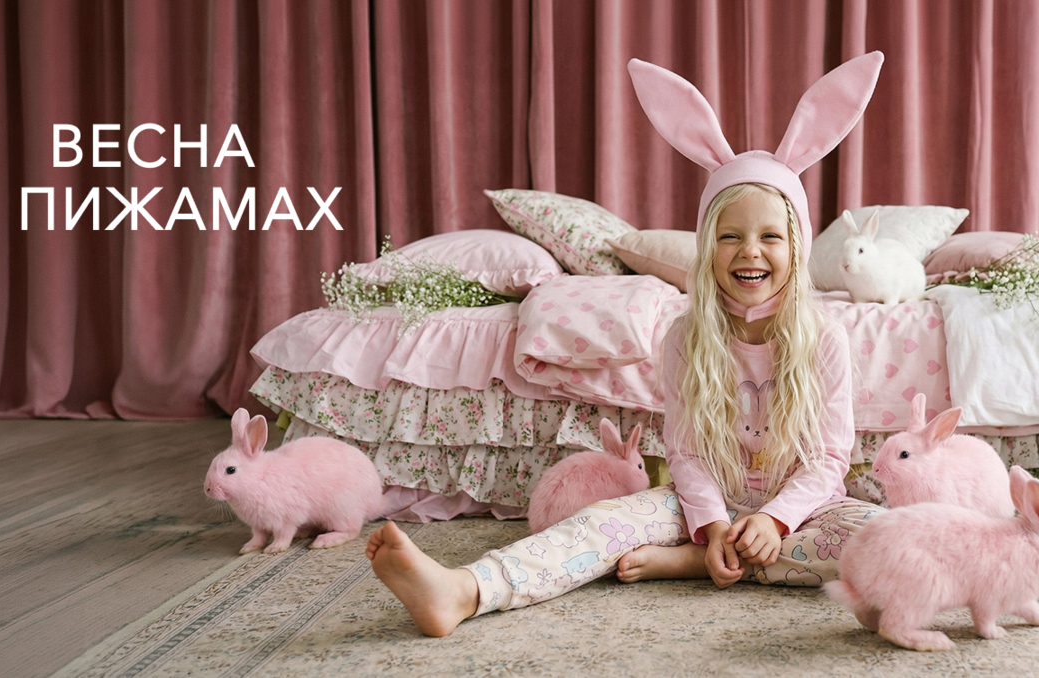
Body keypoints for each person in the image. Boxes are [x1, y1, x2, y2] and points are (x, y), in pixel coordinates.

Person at [367, 52, 887, 637]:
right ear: (705, 248)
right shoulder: (687, 337)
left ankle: (697, 564)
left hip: (803, 512)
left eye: (770, 236)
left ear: (798, 245)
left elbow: (827, 460)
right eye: (729, 237)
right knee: (598, 525)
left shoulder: (824, 338)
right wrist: (714, 525)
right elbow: (687, 453)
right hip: (700, 506)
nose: (750, 251)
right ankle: (466, 589)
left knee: (884, 540)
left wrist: (775, 520)